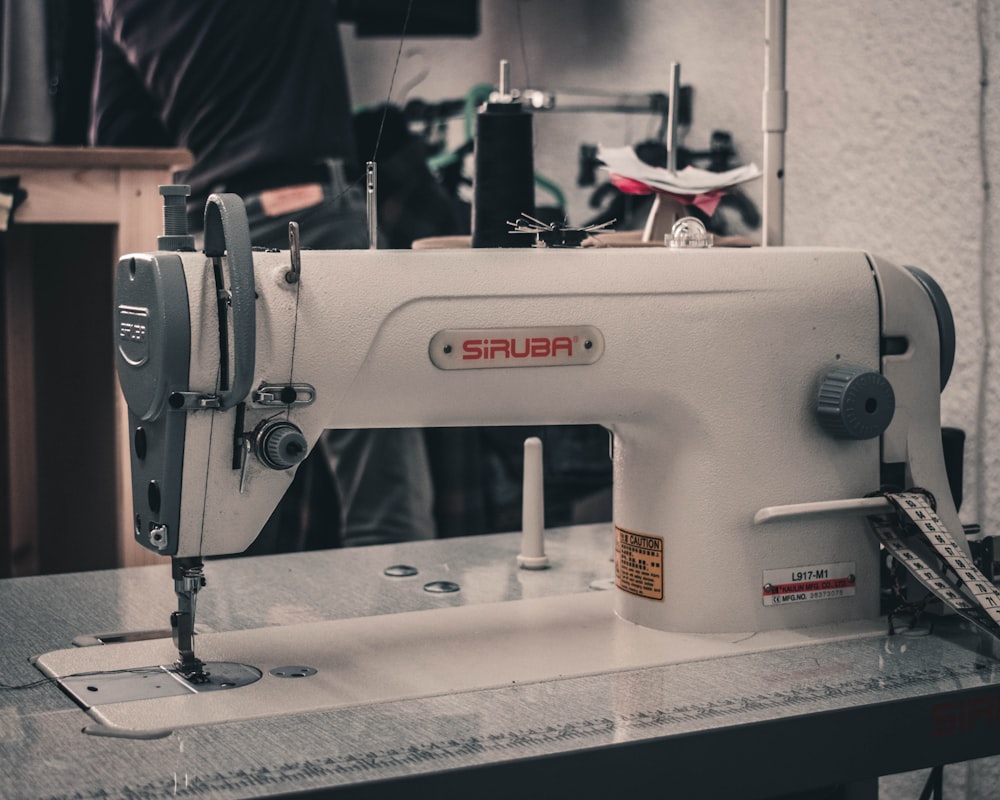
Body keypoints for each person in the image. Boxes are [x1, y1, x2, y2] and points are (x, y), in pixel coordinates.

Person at [90, 0, 436, 549]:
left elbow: (117, 142)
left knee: (226, 487)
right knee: (380, 489)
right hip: (312, 224)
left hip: (209, 247)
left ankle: (232, 633)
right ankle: (400, 624)